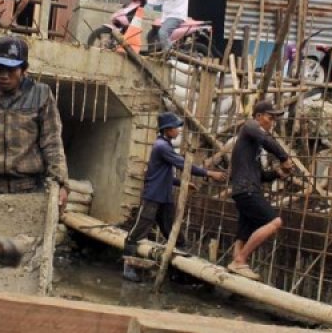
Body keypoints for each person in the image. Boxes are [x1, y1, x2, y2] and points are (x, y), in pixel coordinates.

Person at [0, 35, 69, 210]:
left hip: (29, 189)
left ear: (24, 70)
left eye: (11, 69)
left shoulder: (41, 96)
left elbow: (52, 143)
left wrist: (60, 183)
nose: (4, 75)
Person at [122, 112, 225, 279]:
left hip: (164, 197)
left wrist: (181, 183)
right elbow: (184, 164)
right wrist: (209, 173)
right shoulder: (161, 146)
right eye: (176, 128)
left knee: (172, 233)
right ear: (167, 129)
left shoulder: (166, 145)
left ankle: (178, 271)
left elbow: (165, 175)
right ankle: (129, 268)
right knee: (137, 232)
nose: (178, 131)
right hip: (153, 196)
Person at [227, 101, 293, 281]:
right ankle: (240, 261)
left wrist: (277, 173)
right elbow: (267, 140)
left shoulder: (251, 147)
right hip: (247, 190)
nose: (272, 123)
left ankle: (236, 265)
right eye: (270, 118)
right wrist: (284, 158)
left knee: (243, 231)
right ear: (258, 117)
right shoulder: (250, 126)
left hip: (245, 188)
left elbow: (260, 175)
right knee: (275, 221)